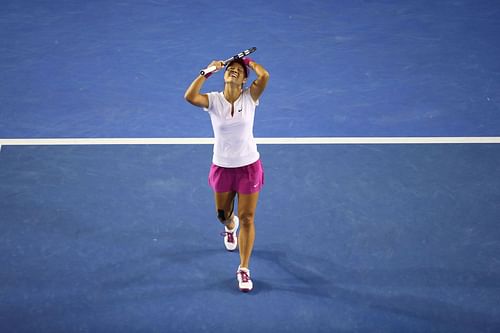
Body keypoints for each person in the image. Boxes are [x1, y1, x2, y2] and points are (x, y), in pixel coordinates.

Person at [184, 55, 269, 292]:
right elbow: (189, 96)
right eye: (230, 68)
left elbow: (265, 76)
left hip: (249, 167)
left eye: (238, 71)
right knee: (223, 215)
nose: (233, 71)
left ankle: (243, 269)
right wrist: (207, 71)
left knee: (248, 217)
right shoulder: (213, 100)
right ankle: (230, 227)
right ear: (223, 76)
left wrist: (248, 62)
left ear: (243, 81)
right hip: (222, 167)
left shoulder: (250, 97)